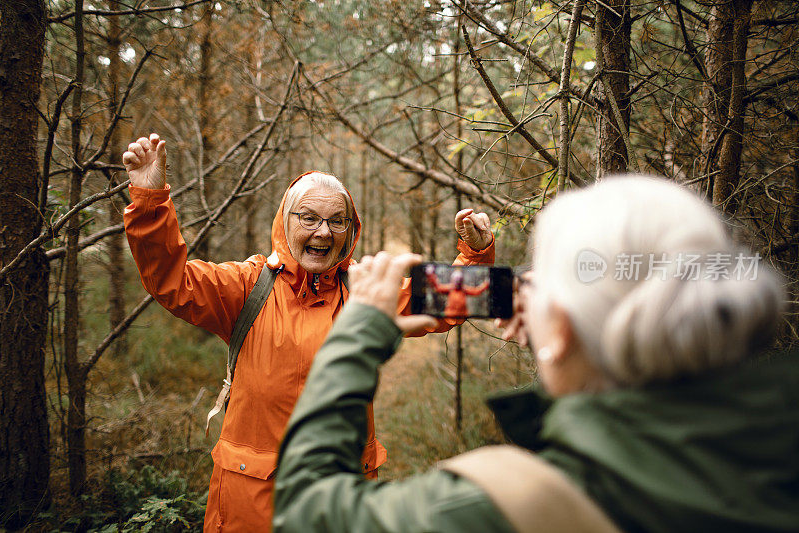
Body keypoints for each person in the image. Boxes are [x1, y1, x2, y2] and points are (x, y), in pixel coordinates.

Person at [272, 175, 799, 533]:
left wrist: (358, 331)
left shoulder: (502, 504)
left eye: (540, 282)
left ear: (564, 327)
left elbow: (306, 511)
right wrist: (568, 356)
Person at [121, 133, 495, 532]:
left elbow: (447, 303)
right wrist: (149, 198)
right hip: (253, 500)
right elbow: (170, 278)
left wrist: (475, 253)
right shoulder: (247, 287)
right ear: (286, 222)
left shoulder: (364, 292)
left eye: (337, 221)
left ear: (350, 232)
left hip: (341, 499)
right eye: (309, 218)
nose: (323, 232)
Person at [425, 265, 490, 317]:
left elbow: (477, 291)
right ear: (452, 280)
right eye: (456, 280)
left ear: (461, 281)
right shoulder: (450, 288)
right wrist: (430, 275)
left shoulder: (464, 289)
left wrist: (487, 283)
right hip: (450, 315)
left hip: (462, 315)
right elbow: (437, 287)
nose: (457, 282)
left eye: (459, 280)